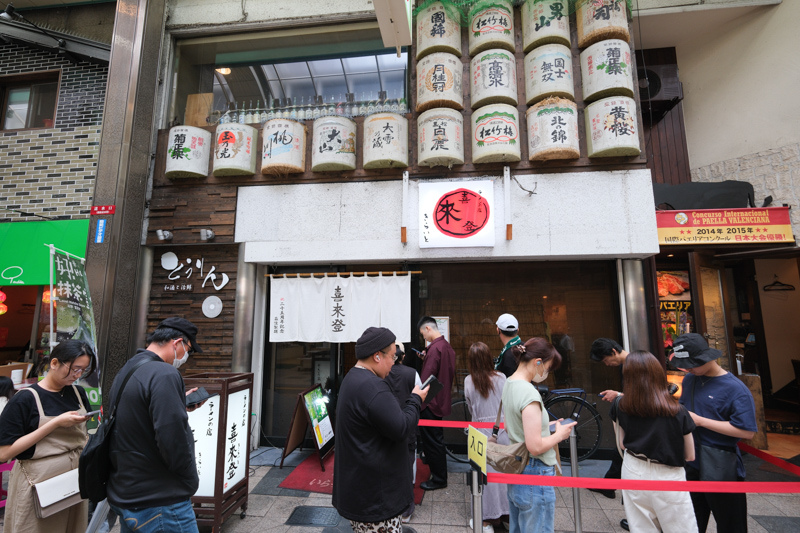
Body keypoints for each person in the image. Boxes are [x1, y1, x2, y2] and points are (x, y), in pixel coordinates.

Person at [106, 317, 203, 533]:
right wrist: (188, 480)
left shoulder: (129, 368)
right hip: (160, 500)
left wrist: (177, 404)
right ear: (177, 343)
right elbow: (172, 438)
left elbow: (135, 416)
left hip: (127, 491)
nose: (187, 357)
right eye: (189, 349)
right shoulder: (165, 373)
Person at [332, 327, 429, 533]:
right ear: (377, 356)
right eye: (392, 357)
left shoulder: (352, 377)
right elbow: (401, 427)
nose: (394, 363)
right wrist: (415, 399)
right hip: (375, 497)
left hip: (361, 488)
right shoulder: (374, 387)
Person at [0, 339, 96, 533]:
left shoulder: (78, 393)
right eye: (74, 369)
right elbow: (4, 454)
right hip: (38, 484)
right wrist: (55, 423)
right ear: (54, 363)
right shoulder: (24, 399)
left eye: (83, 371)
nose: (77, 376)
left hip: (73, 481)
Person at [672, 333, 757, 533]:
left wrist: (701, 421)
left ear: (708, 357)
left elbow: (747, 432)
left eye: (692, 363)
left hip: (722, 465)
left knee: (730, 525)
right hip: (691, 462)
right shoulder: (691, 379)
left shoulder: (736, 389)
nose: (688, 368)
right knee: (690, 524)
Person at [610, 351, 697, 533]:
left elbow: (622, 444)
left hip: (633, 468)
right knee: (681, 528)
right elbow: (690, 455)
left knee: (641, 527)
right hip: (668, 474)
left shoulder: (620, 405)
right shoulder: (678, 411)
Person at [502, 338, 575, 533]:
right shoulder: (529, 394)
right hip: (535, 471)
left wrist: (546, 426)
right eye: (548, 368)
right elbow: (535, 446)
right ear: (538, 362)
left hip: (517, 469)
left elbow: (511, 427)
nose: (546, 373)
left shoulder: (509, 383)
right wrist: (560, 434)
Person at [464, 342, 509, 533]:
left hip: (480, 434)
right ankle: (507, 514)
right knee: (505, 475)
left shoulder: (468, 381)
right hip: (502, 431)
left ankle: (487, 519)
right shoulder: (502, 377)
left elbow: (469, 405)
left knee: (485, 479)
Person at [383, 342, 422, 523]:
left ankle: (388, 505)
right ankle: (406, 511)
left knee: (386, 466)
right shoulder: (412, 373)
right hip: (407, 424)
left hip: (385, 425)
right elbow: (421, 396)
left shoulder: (380, 373)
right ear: (403, 357)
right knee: (407, 467)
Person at [417, 316, 455, 491]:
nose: (424, 337)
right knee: (436, 439)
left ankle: (439, 478)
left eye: (423, 333)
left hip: (430, 401)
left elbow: (426, 378)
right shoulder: (446, 347)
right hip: (440, 398)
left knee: (433, 441)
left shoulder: (434, 349)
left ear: (427, 329)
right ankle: (439, 475)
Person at [588, 337, 628, 502]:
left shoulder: (636, 365)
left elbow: (646, 396)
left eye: (606, 360)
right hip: (630, 417)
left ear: (613, 351)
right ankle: (608, 486)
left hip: (638, 422)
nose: (606, 364)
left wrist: (618, 395)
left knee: (625, 454)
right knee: (620, 453)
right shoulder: (629, 364)